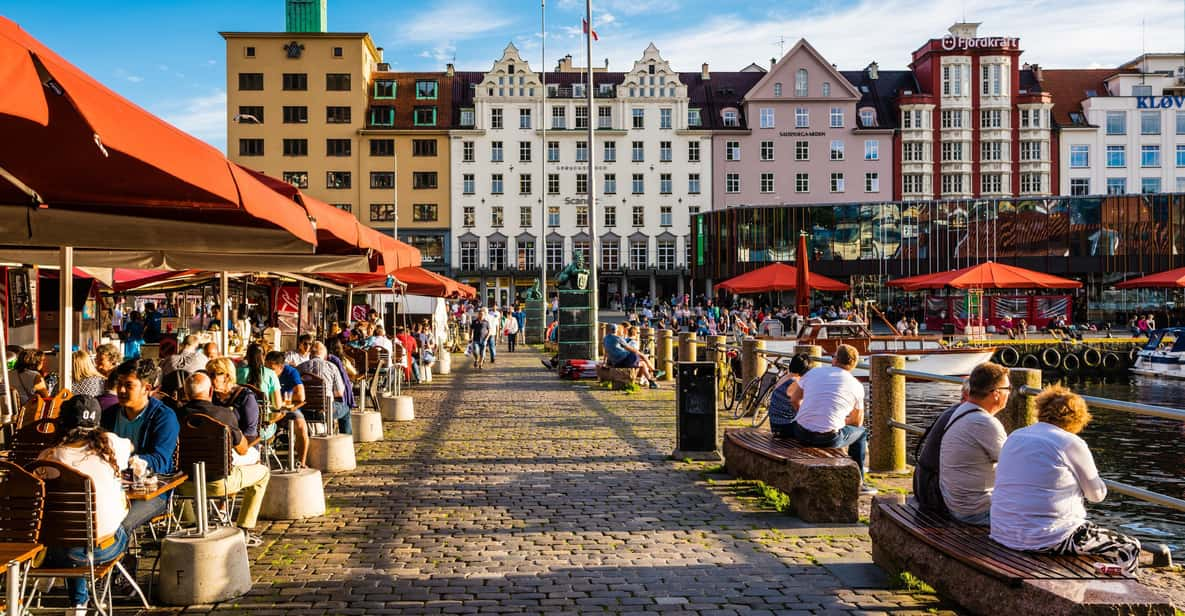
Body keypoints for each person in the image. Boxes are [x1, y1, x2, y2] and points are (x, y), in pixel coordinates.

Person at [991, 386, 1141, 575]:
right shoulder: (1070, 442)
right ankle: (1122, 592)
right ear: (1077, 417)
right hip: (1047, 538)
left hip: (1002, 531)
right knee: (1130, 546)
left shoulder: (1016, 435)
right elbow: (1097, 496)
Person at [35, 395, 133, 614]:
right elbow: (131, 447)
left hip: (63, 551)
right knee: (119, 527)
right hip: (105, 548)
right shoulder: (110, 443)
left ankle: (78, 602)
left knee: (70, 535)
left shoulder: (48, 457)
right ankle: (84, 600)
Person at [178, 373, 270, 543]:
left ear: (185, 393)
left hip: (184, 485)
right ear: (211, 390)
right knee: (263, 473)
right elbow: (242, 449)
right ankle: (244, 527)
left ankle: (189, 525)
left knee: (171, 483)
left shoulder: (175, 415)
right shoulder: (224, 415)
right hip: (219, 484)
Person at [101, 359, 179, 535]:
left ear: (147, 388)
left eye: (128, 385)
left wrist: (128, 460)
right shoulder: (109, 415)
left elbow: (159, 460)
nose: (120, 390)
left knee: (119, 526)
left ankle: (118, 560)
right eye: (119, 384)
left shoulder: (164, 417)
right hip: (112, 487)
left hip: (152, 492)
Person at [786, 344, 876, 495]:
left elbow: (794, 399)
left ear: (834, 359)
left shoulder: (814, 373)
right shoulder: (857, 385)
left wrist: (809, 415)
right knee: (861, 433)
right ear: (853, 365)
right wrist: (839, 421)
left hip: (801, 433)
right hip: (828, 438)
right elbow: (856, 422)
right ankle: (859, 480)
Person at [932, 363, 1009, 525]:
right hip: (975, 511)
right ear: (996, 394)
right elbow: (1013, 466)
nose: (1009, 393)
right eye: (1007, 389)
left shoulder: (962, 410)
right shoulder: (985, 423)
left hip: (954, 503)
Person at [265, 351, 308, 466]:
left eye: (272, 369)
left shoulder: (290, 372)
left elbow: (301, 396)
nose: (269, 371)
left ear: (281, 367)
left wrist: (282, 398)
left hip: (286, 408)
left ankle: (301, 462)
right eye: (266, 367)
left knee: (301, 426)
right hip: (267, 409)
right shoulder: (263, 373)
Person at [298, 342, 351, 435]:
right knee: (346, 410)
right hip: (326, 410)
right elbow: (339, 393)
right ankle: (346, 440)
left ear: (310, 354)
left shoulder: (300, 368)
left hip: (304, 410)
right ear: (325, 355)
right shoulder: (332, 367)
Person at [207, 357, 261, 444]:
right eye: (208, 375)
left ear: (227, 376)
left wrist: (233, 445)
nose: (208, 379)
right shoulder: (210, 395)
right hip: (215, 445)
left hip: (242, 446)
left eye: (213, 375)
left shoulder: (245, 396)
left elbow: (250, 431)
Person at [601, 324, 662, 388]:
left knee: (642, 362)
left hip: (615, 362)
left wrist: (604, 362)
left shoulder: (605, 339)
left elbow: (606, 351)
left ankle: (652, 377)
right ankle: (653, 374)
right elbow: (629, 348)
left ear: (609, 330)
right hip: (624, 360)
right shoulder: (618, 338)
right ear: (617, 330)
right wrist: (639, 353)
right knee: (642, 359)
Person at [767, 354, 812, 436]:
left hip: (774, 424)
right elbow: (799, 407)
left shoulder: (784, 378)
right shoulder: (795, 382)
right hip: (785, 426)